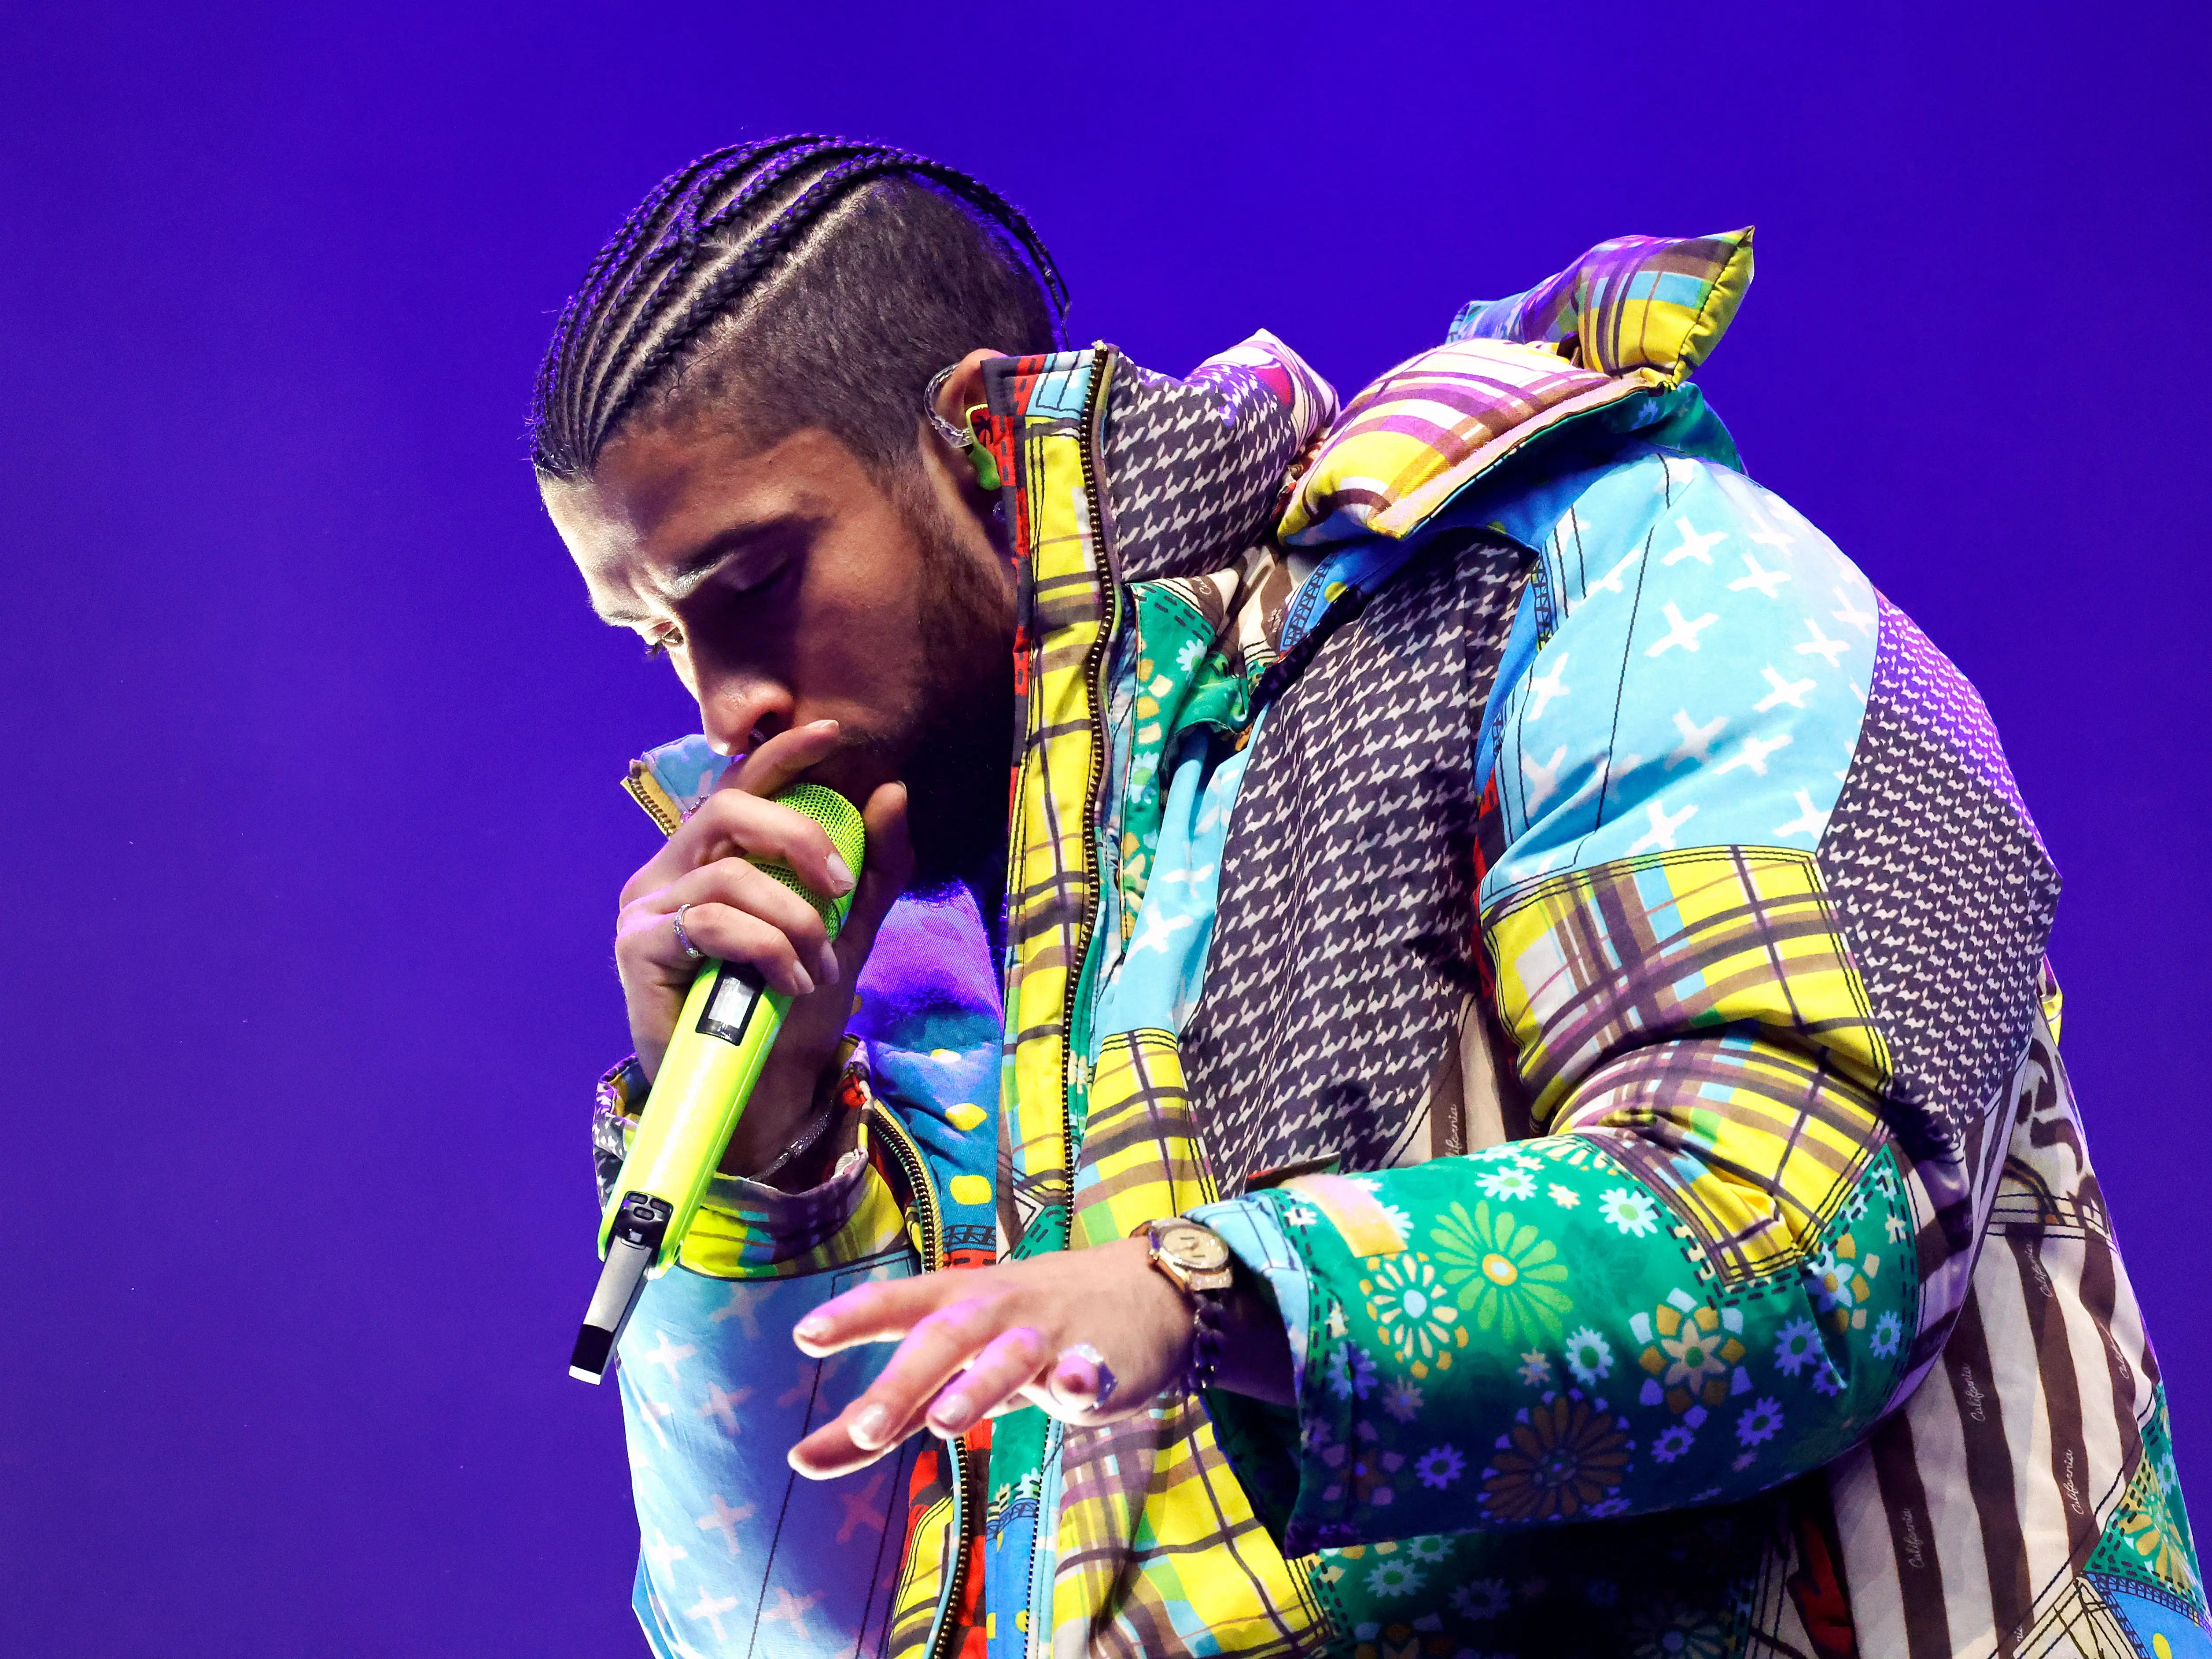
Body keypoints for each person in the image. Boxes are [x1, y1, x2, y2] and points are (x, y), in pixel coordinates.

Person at [531, 136, 2207, 1659]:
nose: (722, 708)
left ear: (973, 444)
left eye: (751, 582)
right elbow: (778, 1641)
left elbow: (1799, 1240)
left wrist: (1211, 1286)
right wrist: (768, 1172)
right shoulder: (912, 995)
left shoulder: (1609, 574)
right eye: (659, 639)